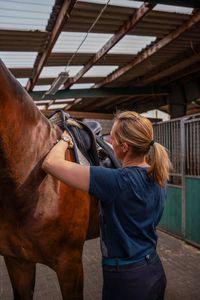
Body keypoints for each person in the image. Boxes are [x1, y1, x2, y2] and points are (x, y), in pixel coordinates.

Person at [42, 111, 172, 300]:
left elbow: (50, 163)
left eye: (112, 136)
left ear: (124, 147)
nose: (108, 139)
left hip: (126, 281)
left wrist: (65, 138)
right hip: (153, 269)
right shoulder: (159, 176)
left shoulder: (115, 181)